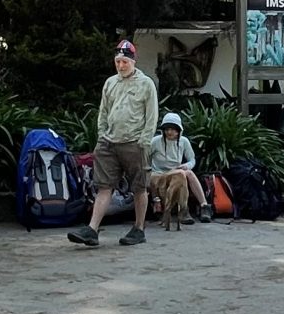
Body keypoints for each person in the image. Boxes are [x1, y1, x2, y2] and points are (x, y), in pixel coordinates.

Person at [70, 40, 159, 248]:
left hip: (134, 142)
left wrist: (144, 141)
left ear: (133, 62)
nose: (121, 66)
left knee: (139, 187)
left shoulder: (146, 84)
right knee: (104, 186)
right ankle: (92, 229)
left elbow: (151, 115)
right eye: (118, 61)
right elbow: (103, 111)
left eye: (125, 62)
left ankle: (139, 228)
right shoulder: (110, 83)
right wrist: (101, 135)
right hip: (109, 142)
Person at [146, 112, 199, 229]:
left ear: (179, 130)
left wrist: (186, 166)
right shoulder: (155, 141)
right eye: (167, 129)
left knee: (183, 175)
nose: (170, 132)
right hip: (157, 173)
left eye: (173, 129)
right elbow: (145, 157)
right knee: (180, 175)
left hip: (175, 172)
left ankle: (193, 207)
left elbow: (192, 160)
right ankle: (183, 211)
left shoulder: (184, 141)